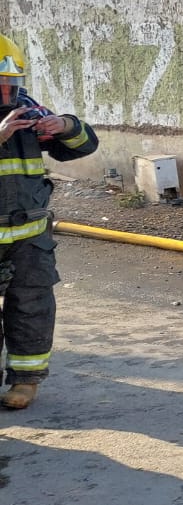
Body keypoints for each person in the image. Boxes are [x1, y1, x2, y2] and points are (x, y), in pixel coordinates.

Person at [0, 34, 99, 410]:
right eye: (0, 83)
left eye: (12, 83)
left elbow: (85, 146)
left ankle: (26, 381)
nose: (7, 91)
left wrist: (65, 126)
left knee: (32, 304)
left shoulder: (28, 111)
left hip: (29, 234)